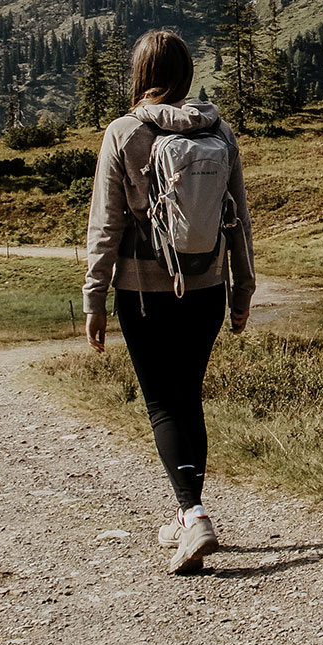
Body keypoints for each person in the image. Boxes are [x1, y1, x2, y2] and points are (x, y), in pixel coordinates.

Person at [82, 29, 255, 573]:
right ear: (185, 73)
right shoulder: (220, 131)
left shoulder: (123, 132)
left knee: (161, 401)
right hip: (206, 287)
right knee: (189, 397)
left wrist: (95, 298)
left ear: (140, 75)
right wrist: (242, 290)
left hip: (144, 294)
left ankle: (193, 512)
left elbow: (106, 226)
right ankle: (185, 516)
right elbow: (240, 222)